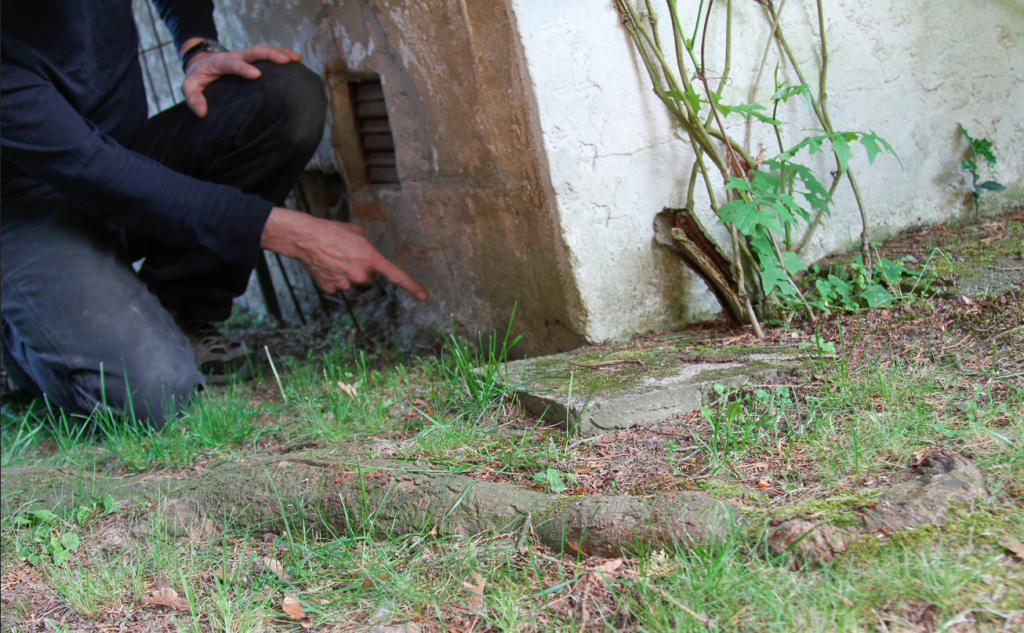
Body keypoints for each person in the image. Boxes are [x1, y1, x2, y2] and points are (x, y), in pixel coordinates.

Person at [0, 0, 427, 428]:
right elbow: (92, 171)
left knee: (283, 97)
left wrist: (198, 46)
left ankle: (177, 306)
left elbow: (115, 170)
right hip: (23, 200)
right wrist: (281, 229)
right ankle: (22, 338)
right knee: (150, 395)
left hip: (122, 153)